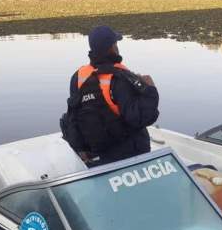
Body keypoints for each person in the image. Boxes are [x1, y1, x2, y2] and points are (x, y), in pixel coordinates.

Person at [60, 25, 159, 166]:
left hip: (96, 157)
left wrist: (80, 148)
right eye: (116, 43)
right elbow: (142, 118)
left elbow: (72, 116)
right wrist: (150, 90)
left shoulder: (78, 78)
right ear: (112, 47)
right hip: (130, 158)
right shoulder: (121, 78)